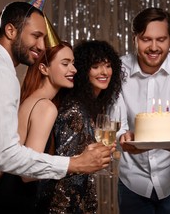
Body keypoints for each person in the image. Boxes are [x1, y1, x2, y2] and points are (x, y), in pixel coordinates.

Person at [0, 1, 111, 214]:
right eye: (36, 36)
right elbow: (5, 155)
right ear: (10, 30)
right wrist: (75, 164)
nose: (42, 46)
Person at [117, 7, 170, 213]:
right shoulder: (118, 70)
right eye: (146, 39)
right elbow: (117, 126)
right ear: (135, 38)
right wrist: (123, 138)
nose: (154, 47)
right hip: (133, 181)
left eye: (161, 39)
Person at [36, 40, 125, 213]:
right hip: (64, 204)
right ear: (84, 71)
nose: (104, 72)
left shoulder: (92, 105)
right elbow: (66, 167)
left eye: (108, 66)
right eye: (96, 66)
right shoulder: (75, 110)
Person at [0, 40, 77, 213]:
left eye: (73, 63)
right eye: (65, 64)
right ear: (44, 68)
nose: (73, 69)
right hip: (17, 199)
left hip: (4, 192)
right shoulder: (46, 107)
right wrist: (73, 166)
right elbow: (27, 174)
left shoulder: (29, 100)